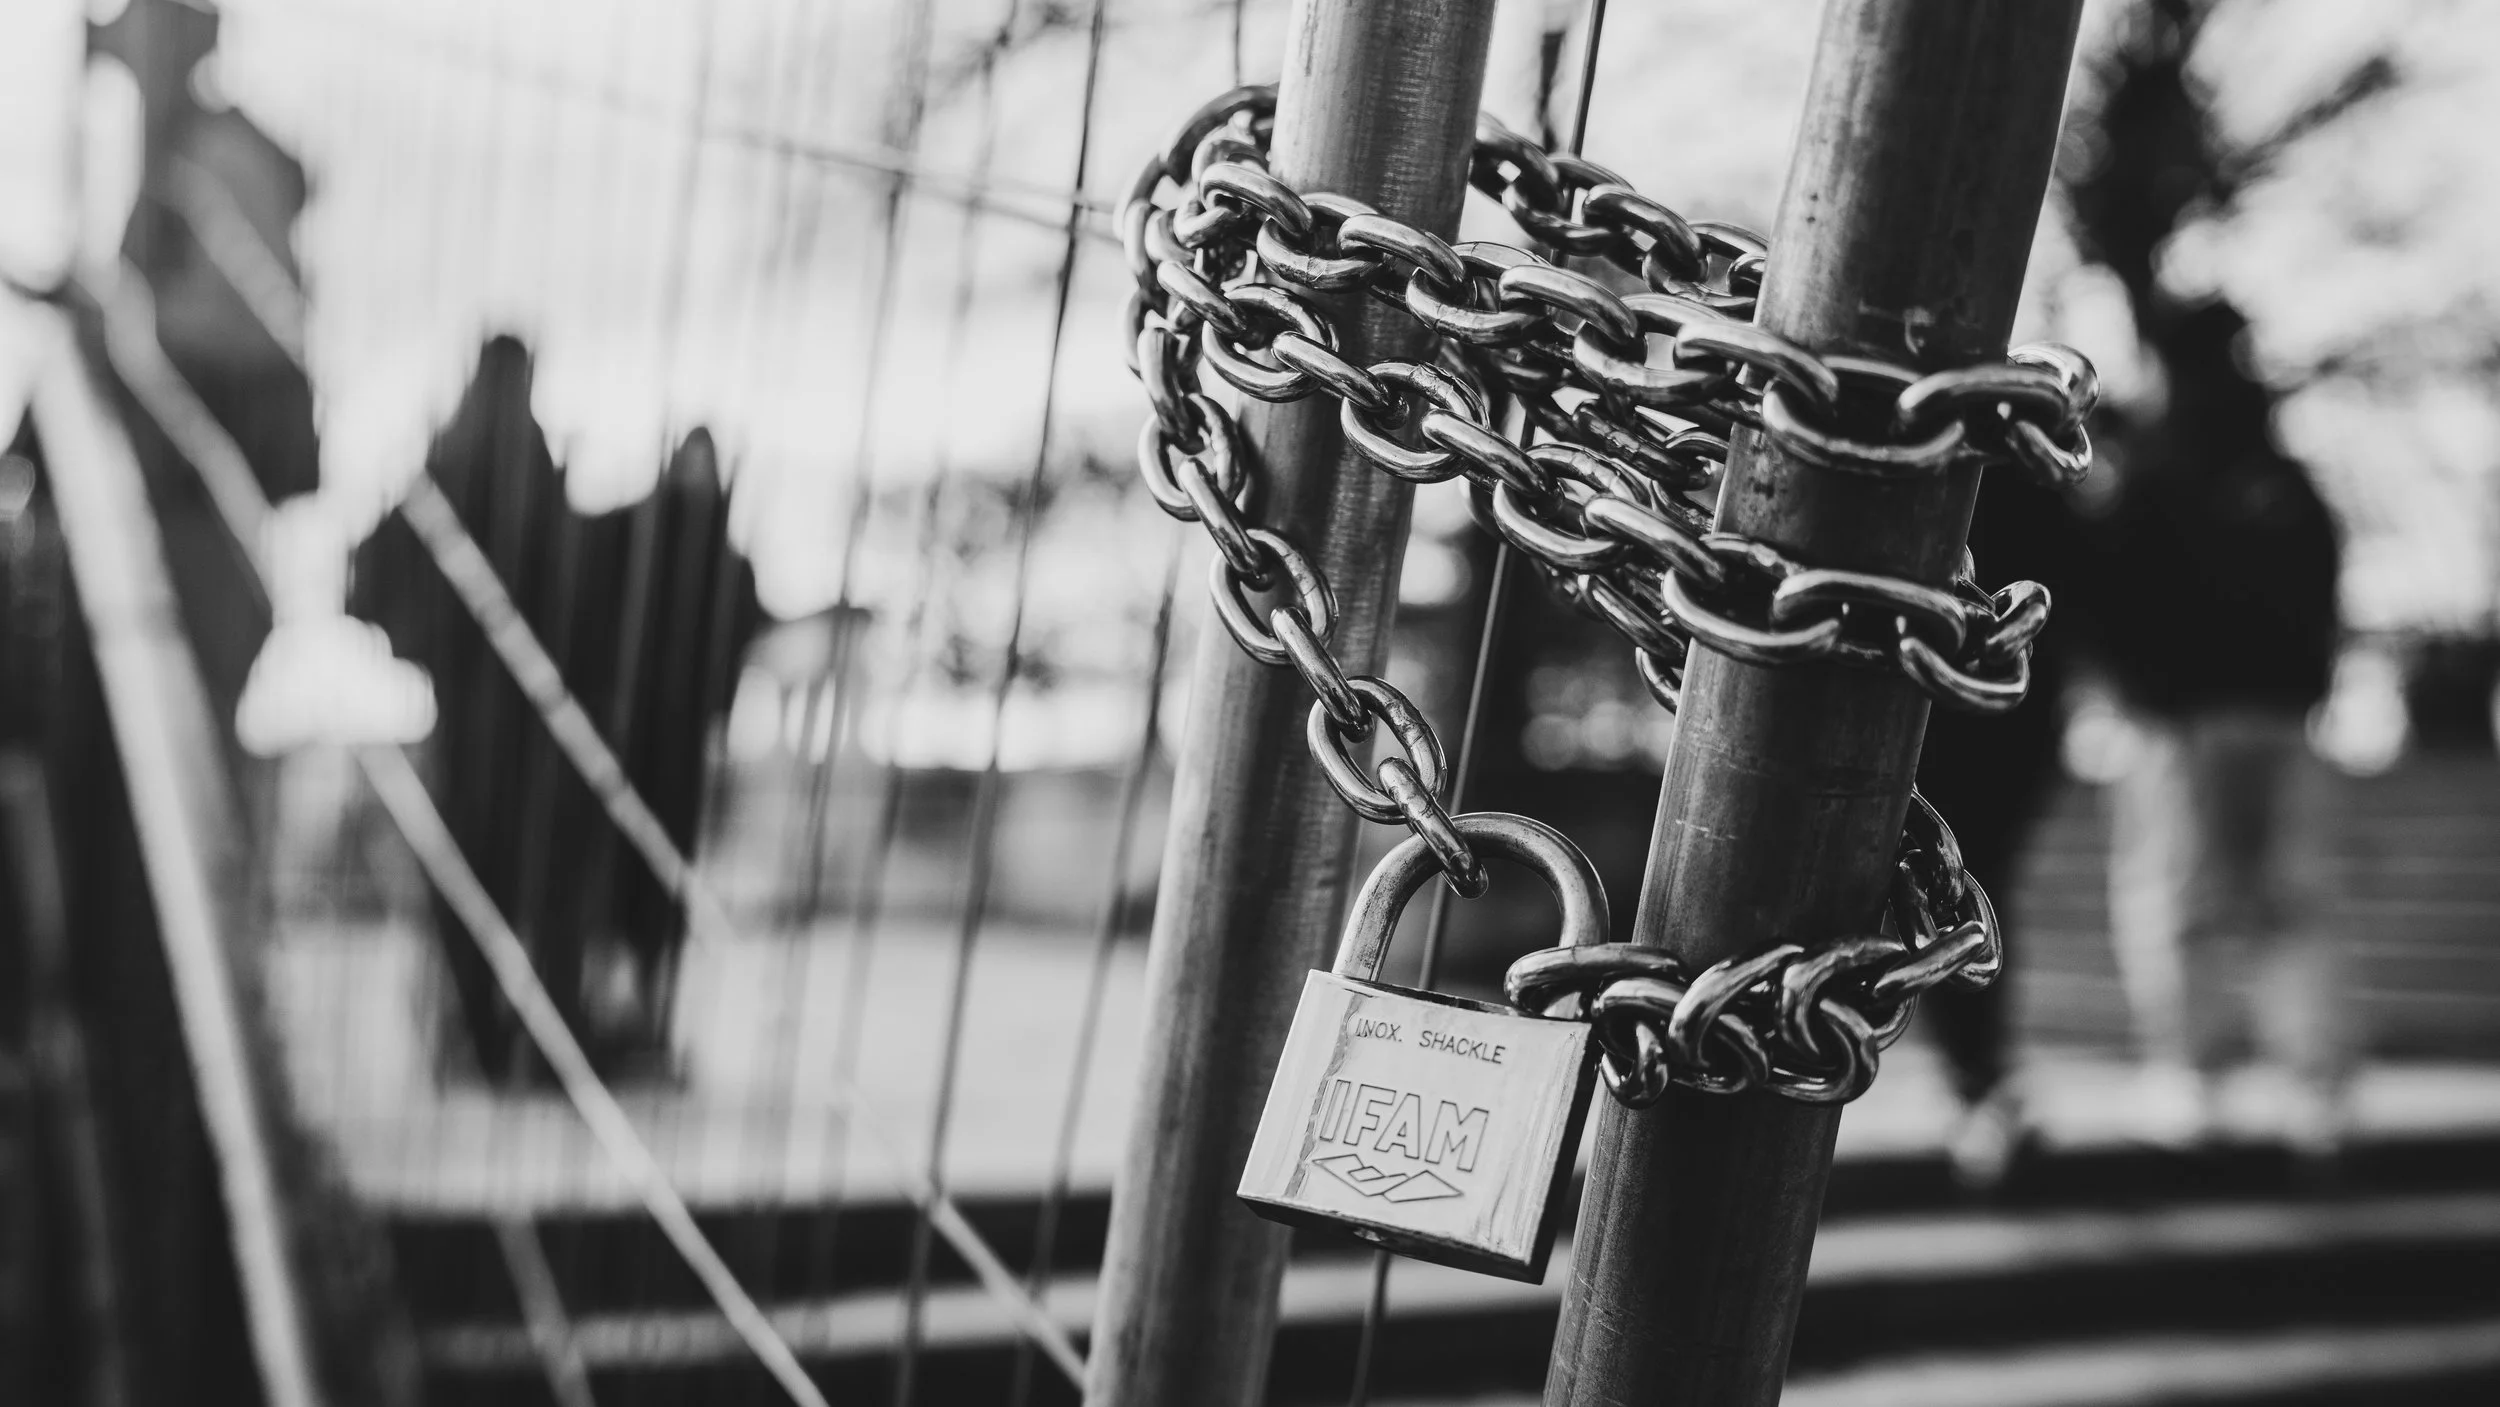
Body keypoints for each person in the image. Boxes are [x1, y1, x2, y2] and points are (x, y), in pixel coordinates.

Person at [2084, 303, 2349, 1159]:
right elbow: (2322, 581)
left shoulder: (2154, 470)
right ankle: (2311, 1087)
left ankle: (2193, 1077)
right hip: (2275, 714)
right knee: (2287, 902)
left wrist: (2138, 692)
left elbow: (2109, 590)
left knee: (2178, 901)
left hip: (2184, 724)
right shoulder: (2279, 471)